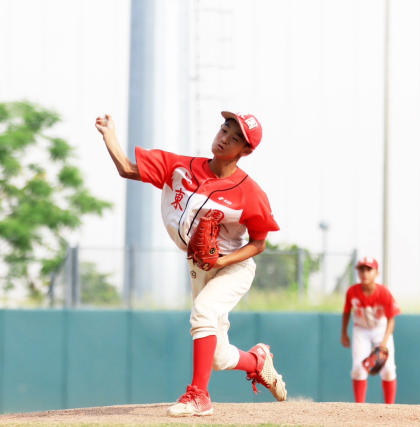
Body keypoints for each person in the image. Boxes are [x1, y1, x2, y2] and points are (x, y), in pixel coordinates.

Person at [95, 111, 287, 417]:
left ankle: (199, 396)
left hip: (232, 268)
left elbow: (258, 243)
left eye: (235, 138)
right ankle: (258, 361)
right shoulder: (180, 167)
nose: (224, 138)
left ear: (245, 151)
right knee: (218, 356)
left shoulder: (251, 193)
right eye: (225, 129)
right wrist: (110, 136)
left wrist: (223, 259)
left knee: (204, 314)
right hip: (199, 267)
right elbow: (127, 169)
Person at [341, 256, 400, 404]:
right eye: (361, 269)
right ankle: (360, 408)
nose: (364, 273)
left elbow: (391, 319)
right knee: (358, 369)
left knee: (388, 370)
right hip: (361, 330)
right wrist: (344, 333)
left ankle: (390, 408)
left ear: (376, 273)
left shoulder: (384, 292)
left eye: (369, 269)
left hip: (381, 330)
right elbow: (347, 311)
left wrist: (384, 343)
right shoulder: (352, 292)